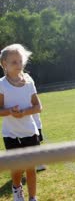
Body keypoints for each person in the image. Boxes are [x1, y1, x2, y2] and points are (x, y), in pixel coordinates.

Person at [0, 44, 42, 201]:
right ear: (4, 64)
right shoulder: (1, 84)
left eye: (20, 61)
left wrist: (24, 112)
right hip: (11, 134)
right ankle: (17, 190)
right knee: (17, 168)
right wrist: (10, 112)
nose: (18, 65)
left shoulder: (29, 81)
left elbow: (38, 107)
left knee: (31, 168)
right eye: (13, 62)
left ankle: (32, 197)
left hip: (30, 132)